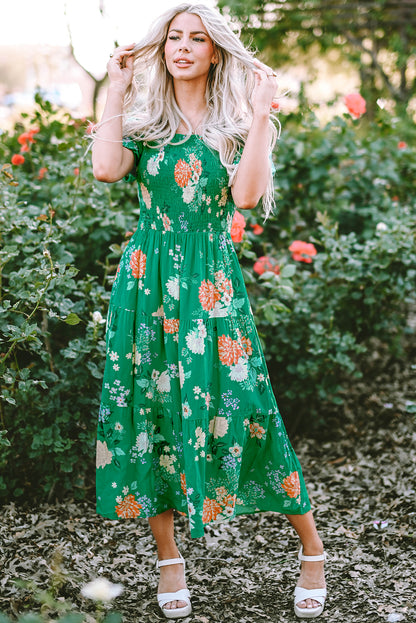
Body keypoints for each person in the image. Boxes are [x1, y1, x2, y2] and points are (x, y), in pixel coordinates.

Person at [92, 3, 326, 619]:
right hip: (147, 287)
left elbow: (246, 196)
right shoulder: (143, 123)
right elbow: (104, 168)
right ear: (162, 47)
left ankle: (312, 549)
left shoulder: (232, 124)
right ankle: (170, 562)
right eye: (175, 37)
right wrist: (115, 88)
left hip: (212, 291)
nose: (184, 47)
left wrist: (259, 116)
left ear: (216, 51)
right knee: (154, 417)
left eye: (198, 38)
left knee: (248, 407)